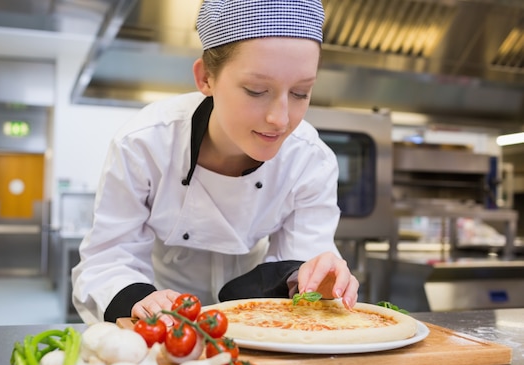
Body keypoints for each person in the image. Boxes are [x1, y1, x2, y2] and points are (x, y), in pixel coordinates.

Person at [71, 0, 360, 324]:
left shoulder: (310, 161)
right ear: (206, 77)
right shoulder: (145, 144)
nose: (279, 119)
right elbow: (108, 258)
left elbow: (301, 260)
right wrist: (140, 301)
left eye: (301, 93)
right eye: (256, 90)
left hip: (258, 315)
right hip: (161, 317)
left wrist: (317, 277)